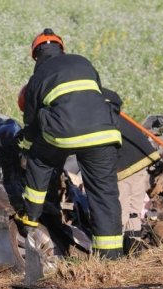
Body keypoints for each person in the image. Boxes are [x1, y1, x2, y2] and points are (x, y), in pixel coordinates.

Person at [15, 28, 123, 260]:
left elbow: (32, 124)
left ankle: (30, 218)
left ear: (36, 54)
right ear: (61, 48)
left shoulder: (39, 76)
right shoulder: (83, 62)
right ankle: (111, 258)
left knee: (39, 160)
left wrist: (24, 147)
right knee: (104, 194)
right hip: (103, 134)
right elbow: (103, 96)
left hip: (63, 134)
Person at [101, 88, 162, 255]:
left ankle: (117, 255)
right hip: (142, 159)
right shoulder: (115, 111)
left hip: (123, 166)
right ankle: (134, 252)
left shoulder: (96, 116)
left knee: (120, 210)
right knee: (134, 209)